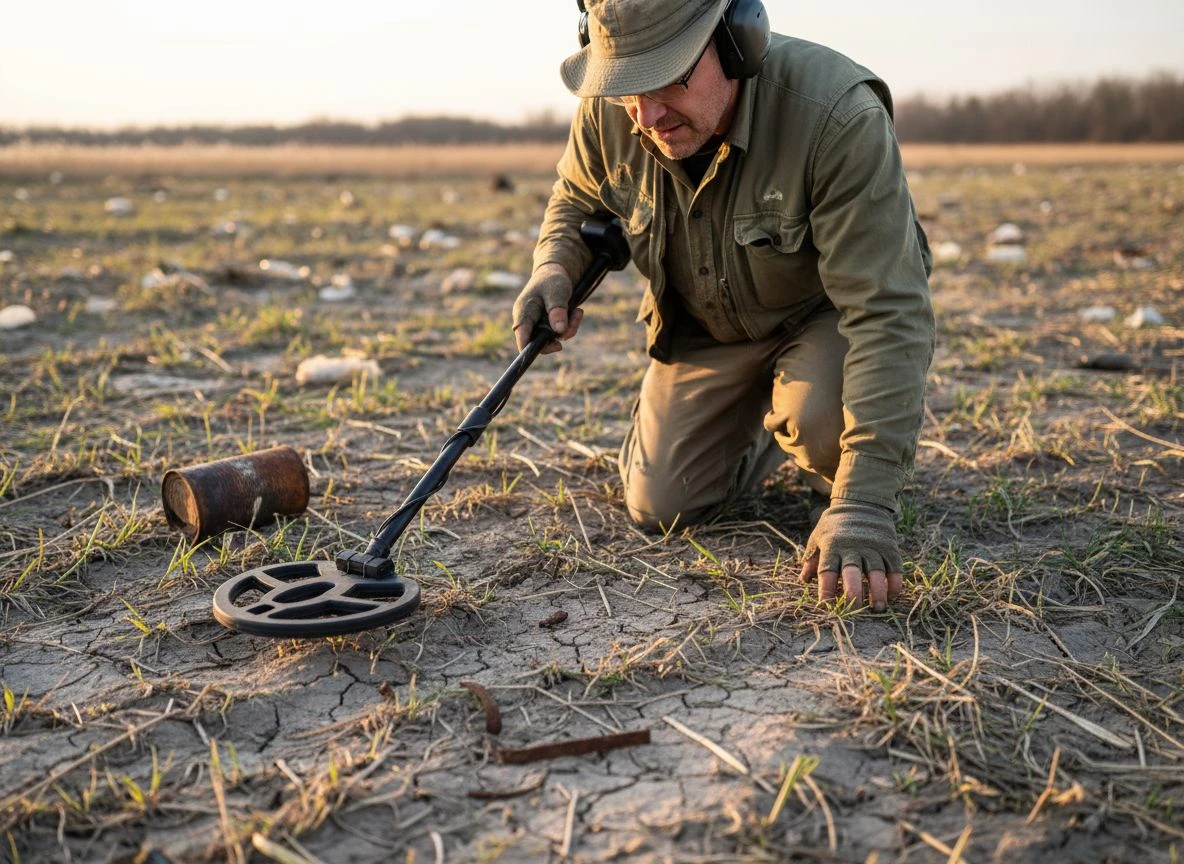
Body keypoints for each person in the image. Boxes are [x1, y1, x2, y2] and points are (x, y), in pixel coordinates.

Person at [512, 0, 934, 611]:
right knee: (663, 506)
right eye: (629, 88)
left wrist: (864, 506)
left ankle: (816, 428)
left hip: (824, 318)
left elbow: (886, 311)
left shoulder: (837, 115)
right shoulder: (614, 102)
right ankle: (764, 419)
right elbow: (577, 199)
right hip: (707, 331)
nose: (647, 114)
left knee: (826, 430)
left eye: (668, 80)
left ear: (739, 41)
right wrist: (553, 269)